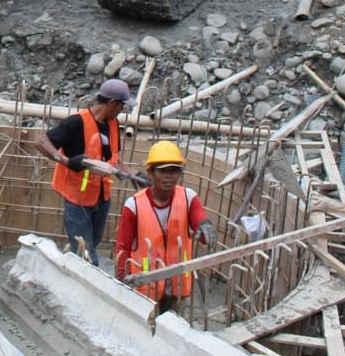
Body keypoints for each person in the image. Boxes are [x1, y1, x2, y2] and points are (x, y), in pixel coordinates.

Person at [35, 78, 141, 266]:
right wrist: (65, 161)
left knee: (92, 243)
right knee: (87, 255)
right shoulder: (76, 122)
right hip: (77, 199)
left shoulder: (113, 124)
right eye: (121, 105)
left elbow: (115, 158)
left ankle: (74, 269)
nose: (122, 110)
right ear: (112, 103)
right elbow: (41, 142)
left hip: (101, 197)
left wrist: (133, 172)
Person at [114, 141, 217, 314]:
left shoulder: (189, 198)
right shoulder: (134, 206)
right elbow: (123, 248)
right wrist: (122, 280)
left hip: (178, 286)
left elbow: (201, 227)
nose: (169, 176)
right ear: (150, 173)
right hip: (146, 286)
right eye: (163, 171)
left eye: (174, 170)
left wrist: (205, 226)